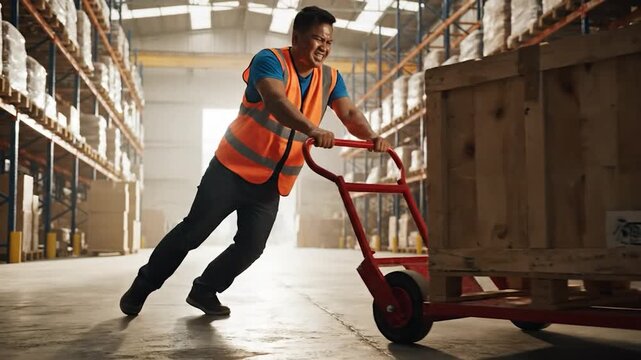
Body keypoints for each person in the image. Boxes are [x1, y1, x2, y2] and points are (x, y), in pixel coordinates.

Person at [120, 5, 391, 317]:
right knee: (192, 233)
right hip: (231, 170)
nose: (324, 48)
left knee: (251, 247)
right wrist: (313, 129)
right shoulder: (270, 60)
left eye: (329, 42)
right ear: (297, 36)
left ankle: (205, 290)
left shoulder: (330, 78)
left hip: (272, 182)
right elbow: (276, 101)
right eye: (318, 39)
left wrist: (371, 137)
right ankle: (143, 285)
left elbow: (350, 113)